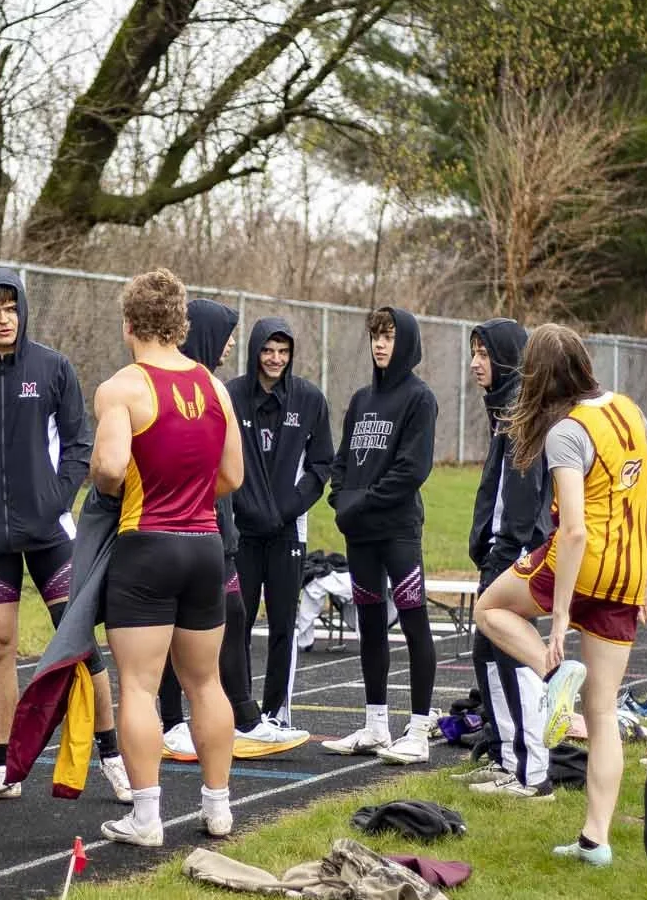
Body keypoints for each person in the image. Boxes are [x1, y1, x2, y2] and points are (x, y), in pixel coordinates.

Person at [0, 269, 127, 804]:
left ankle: (112, 756)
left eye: (10, 308)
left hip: (52, 533)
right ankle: (4, 769)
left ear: (22, 311)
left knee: (78, 644)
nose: (3, 318)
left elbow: (80, 442)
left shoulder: (54, 368)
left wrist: (56, 498)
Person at [474, 325, 647, 851]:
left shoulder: (566, 432)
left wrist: (559, 621)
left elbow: (575, 528)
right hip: (626, 572)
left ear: (537, 375)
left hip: (581, 564)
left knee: (490, 609)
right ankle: (595, 840)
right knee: (601, 712)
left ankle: (551, 674)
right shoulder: (630, 409)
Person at [91, 269, 243, 848]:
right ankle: (219, 807)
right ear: (180, 323)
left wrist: (118, 488)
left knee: (139, 686)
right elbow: (233, 476)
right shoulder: (214, 386)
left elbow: (108, 467)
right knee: (206, 683)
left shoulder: (121, 388)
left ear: (128, 324)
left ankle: (148, 817)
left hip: (146, 544)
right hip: (205, 545)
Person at [159, 300, 303, 755]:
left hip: (216, 532)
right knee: (166, 629)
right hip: (173, 530)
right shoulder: (176, 389)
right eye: (227, 336)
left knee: (234, 616)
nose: (233, 346)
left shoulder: (210, 389)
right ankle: (169, 720)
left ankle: (245, 716)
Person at [321, 307, 440, 761]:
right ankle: (376, 725)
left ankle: (418, 730)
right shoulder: (360, 399)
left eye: (389, 336)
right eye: (375, 336)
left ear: (404, 341)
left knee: (413, 622)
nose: (381, 344)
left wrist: (363, 502)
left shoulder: (419, 398)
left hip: (398, 532)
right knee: (368, 625)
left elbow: (412, 469)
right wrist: (340, 499)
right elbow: (343, 460)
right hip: (361, 534)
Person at [225, 317, 335, 738]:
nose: (275, 359)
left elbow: (322, 464)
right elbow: (219, 460)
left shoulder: (308, 399)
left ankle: (276, 713)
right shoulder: (231, 396)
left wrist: (287, 507)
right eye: (268, 350)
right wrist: (246, 507)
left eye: (283, 352)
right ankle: (238, 712)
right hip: (242, 531)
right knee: (238, 620)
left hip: (289, 531)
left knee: (284, 624)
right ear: (255, 351)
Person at [462, 319, 548, 787]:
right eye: (473, 352)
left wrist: (511, 551)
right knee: (487, 656)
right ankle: (505, 755)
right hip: (499, 551)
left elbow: (523, 493)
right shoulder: (502, 408)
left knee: (511, 656)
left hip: (515, 555)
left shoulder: (523, 411)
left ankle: (531, 771)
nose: (476, 363)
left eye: (485, 353)